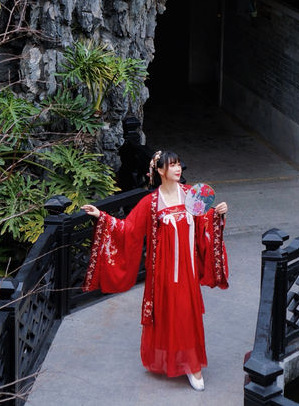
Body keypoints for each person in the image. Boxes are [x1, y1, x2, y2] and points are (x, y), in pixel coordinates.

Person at [81, 149, 229, 391]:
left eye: (179, 164)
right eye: (172, 165)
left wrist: (217, 215)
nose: (177, 169)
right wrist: (102, 217)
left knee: (187, 314)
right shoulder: (150, 203)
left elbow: (204, 223)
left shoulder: (191, 194)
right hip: (163, 271)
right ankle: (177, 360)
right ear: (160, 170)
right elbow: (128, 230)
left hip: (188, 269)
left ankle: (193, 364)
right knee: (170, 314)